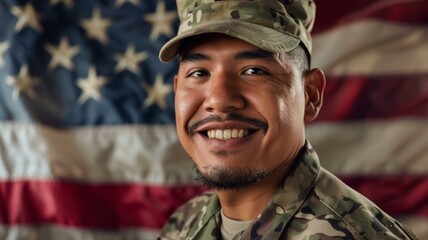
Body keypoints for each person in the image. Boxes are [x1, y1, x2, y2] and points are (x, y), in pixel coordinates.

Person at [157, 0, 418, 239]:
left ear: (310, 94)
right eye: (199, 72)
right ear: (177, 88)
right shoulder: (184, 224)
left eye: (254, 70)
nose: (220, 99)